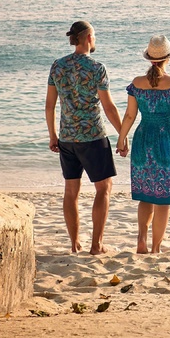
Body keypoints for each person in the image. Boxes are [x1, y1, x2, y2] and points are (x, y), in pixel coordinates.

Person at [116, 34, 170, 253]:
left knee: (146, 193)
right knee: (163, 198)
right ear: (168, 58)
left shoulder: (137, 83)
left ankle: (141, 240)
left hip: (143, 138)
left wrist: (121, 138)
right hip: (167, 139)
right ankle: (155, 248)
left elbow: (129, 116)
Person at [45, 20, 122, 254]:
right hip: (93, 137)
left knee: (71, 191)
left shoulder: (57, 66)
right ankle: (96, 245)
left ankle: (74, 243)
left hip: (67, 137)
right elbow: (109, 108)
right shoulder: (97, 68)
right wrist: (123, 134)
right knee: (103, 189)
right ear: (88, 37)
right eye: (95, 36)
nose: (95, 40)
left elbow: (50, 106)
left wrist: (53, 136)